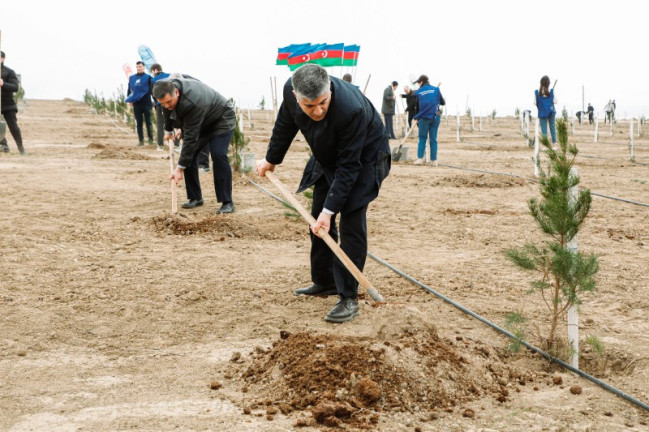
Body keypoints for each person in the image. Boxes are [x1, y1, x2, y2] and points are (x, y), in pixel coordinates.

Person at [255, 64, 391, 323]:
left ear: (329, 90)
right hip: (327, 155)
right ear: (296, 96)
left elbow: (350, 167)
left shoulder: (352, 109)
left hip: (365, 158)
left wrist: (331, 212)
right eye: (309, 106)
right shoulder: (289, 93)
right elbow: (285, 124)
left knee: (350, 218)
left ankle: (348, 297)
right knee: (316, 217)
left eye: (323, 103)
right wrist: (272, 159)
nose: (317, 111)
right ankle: (325, 281)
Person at [152, 78, 236, 214]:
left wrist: (179, 169)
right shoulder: (166, 93)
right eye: (163, 103)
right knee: (189, 156)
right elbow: (166, 111)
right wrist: (168, 130)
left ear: (177, 92)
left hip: (221, 119)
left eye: (169, 102)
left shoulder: (193, 101)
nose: (167, 105)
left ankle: (227, 202)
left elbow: (190, 138)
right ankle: (195, 197)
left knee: (218, 154)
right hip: (201, 120)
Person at [412, 75, 445, 166]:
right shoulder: (436, 90)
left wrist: (416, 117)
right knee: (433, 139)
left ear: (421, 82)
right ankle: (434, 161)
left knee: (422, 138)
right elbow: (443, 102)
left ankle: (420, 159)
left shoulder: (418, 92)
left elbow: (416, 107)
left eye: (418, 83)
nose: (418, 85)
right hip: (435, 116)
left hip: (424, 118)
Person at [0, 51, 25, 155]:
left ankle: (21, 149)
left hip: (8, 105)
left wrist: (3, 84)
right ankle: (3, 144)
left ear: (3, 59)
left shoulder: (9, 72)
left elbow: (15, 87)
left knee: (13, 127)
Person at [125, 61, 154, 146]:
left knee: (149, 122)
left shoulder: (148, 77)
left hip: (147, 103)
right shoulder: (132, 78)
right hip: (136, 104)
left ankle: (150, 140)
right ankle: (141, 141)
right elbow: (129, 89)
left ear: (144, 67)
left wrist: (154, 100)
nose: (138, 68)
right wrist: (130, 99)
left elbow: (152, 90)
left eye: (140, 66)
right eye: (137, 67)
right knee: (139, 123)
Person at [150, 63, 170, 151]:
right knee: (172, 123)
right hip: (170, 103)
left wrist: (155, 103)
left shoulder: (153, 80)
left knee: (160, 125)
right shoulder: (169, 76)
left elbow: (153, 93)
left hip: (160, 104)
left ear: (155, 70)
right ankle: (176, 145)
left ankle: (160, 145)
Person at [533, 75, 557, 145]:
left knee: (544, 129)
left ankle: (545, 145)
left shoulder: (537, 92)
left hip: (542, 112)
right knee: (552, 127)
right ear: (548, 83)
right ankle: (554, 144)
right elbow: (555, 101)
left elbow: (535, 102)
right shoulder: (551, 91)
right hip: (551, 112)